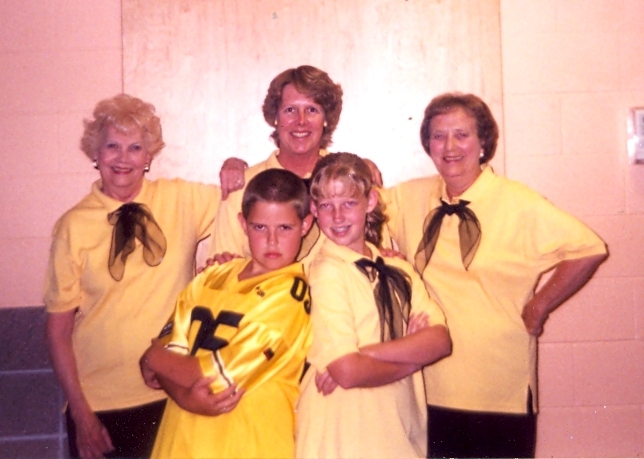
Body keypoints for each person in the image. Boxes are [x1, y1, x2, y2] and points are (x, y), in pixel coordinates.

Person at [385, 92, 608, 458]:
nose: (450, 146)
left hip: (498, 386)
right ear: (427, 143)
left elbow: (588, 249)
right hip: (427, 383)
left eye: (462, 134)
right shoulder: (410, 196)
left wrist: (539, 306)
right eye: (439, 135)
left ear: (484, 142)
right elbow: (354, 204)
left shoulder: (519, 203)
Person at [43, 94, 224, 459]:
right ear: (95, 154)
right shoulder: (72, 225)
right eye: (112, 146)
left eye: (135, 147)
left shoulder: (181, 199)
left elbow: (253, 200)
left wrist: (235, 168)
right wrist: (82, 413)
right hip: (100, 405)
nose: (123, 158)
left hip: (172, 392)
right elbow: (57, 331)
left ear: (148, 157)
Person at [140, 169, 313, 459]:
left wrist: (152, 357)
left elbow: (213, 377)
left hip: (248, 442)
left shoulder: (291, 293)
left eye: (284, 228)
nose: (272, 241)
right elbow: (164, 356)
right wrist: (182, 394)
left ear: (305, 225)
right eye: (259, 227)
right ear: (242, 224)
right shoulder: (213, 275)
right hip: (181, 439)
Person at [295, 153, 451, 459]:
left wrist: (365, 353)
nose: (337, 217)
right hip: (340, 431)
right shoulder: (327, 271)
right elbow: (348, 372)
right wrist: (411, 355)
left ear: (370, 202)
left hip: (395, 425)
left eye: (349, 203)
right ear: (314, 210)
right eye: (326, 206)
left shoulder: (398, 270)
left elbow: (440, 341)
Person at [210, 65, 342, 267]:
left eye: (312, 110)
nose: (301, 121)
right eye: (290, 110)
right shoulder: (241, 187)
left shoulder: (349, 183)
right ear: (275, 117)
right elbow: (223, 272)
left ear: (326, 119)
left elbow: (375, 260)